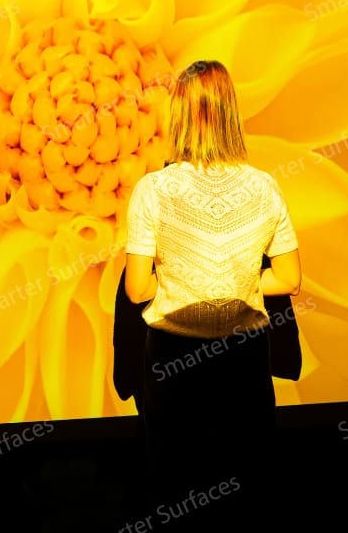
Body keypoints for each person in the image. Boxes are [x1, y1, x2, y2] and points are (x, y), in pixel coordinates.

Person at [124, 59, 301, 523]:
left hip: (173, 357)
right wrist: (239, 278)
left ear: (176, 115)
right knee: (248, 481)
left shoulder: (152, 190)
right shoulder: (265, 188)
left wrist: (182, 276)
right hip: (242, 358)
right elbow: (289, 279)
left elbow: (138, 289)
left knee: (173, 482)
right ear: (231, 113)